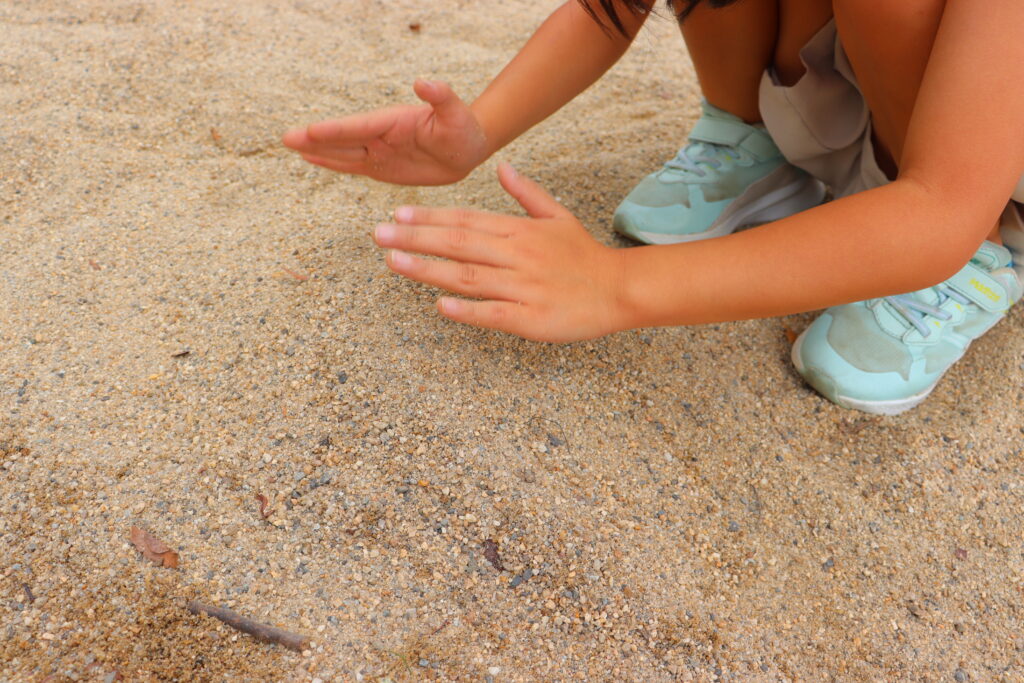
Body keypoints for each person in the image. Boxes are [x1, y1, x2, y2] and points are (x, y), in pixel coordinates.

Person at [282, 0, 1024, 415]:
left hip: (982, 163)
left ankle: (983, 255)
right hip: (871, 90)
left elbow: (938, 207)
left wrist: (613, 287)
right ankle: (754, 139)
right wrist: (477, 133)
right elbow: (609, 9)